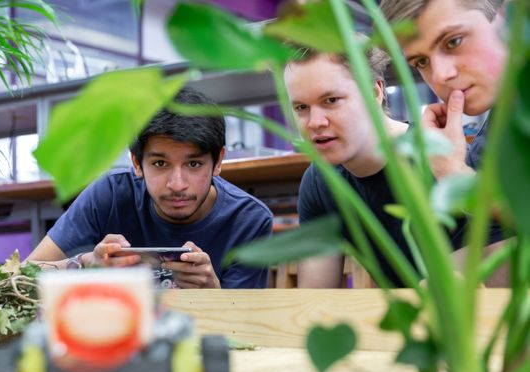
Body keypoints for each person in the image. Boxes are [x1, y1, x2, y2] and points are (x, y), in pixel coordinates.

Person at [27, 87, 273, 289]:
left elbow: (244, 333)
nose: (177, 184)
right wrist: (85, 263)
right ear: (136, 162)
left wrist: (213, 291)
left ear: (218, 161)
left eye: (194, 164)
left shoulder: (249, 220)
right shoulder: (109, 196)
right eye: (160, 163)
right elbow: (16, 276)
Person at [381, 0, 508, 285]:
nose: (440, 76)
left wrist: (454, 174)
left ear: (505, 16)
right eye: (421, 62)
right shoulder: (490, 140)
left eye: (454, 41)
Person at [284, 46, 413, 287]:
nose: (315, 123)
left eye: (331, 100)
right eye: (301, 107)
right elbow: (317, 303)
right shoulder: (320, 181)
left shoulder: (437, 161)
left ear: (375, 92)